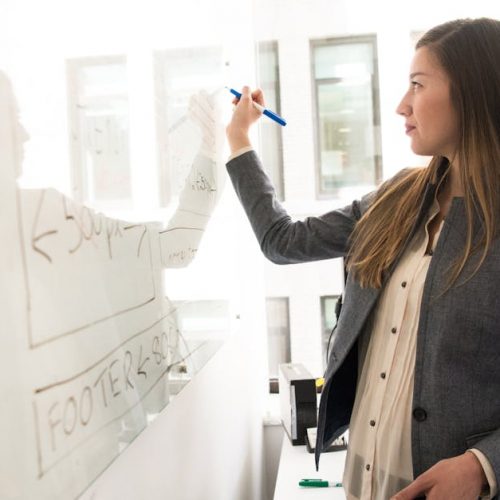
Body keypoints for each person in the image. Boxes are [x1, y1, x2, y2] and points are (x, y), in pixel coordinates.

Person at [225, 17, 500, 500]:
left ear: (475, 92)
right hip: (361, 484)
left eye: (418, 84)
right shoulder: (396, 199)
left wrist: (483, 466)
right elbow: (281, 240)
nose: (401, 105)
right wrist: (239, 141)